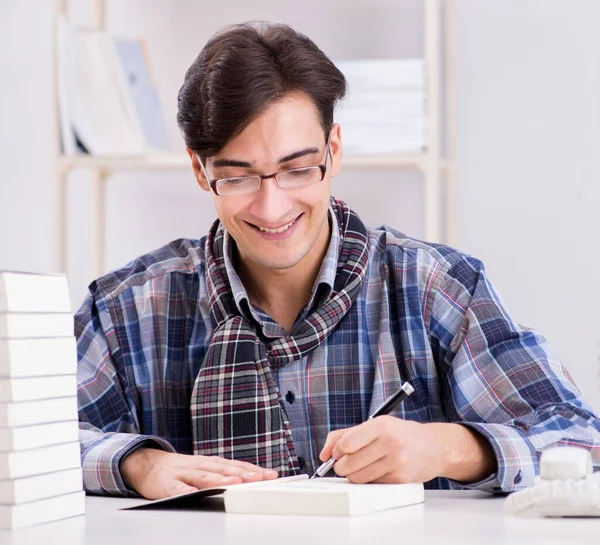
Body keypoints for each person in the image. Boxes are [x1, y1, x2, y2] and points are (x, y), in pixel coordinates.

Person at [76, 22, 600, 500]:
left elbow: (580, 441)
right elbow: (26, 446)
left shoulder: (436, 288)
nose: (272, 206)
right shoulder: (128, 309)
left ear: (335, 150)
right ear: (198, 168)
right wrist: (136, 464)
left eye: (298, 169)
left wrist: (449, 449)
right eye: (236, 177)